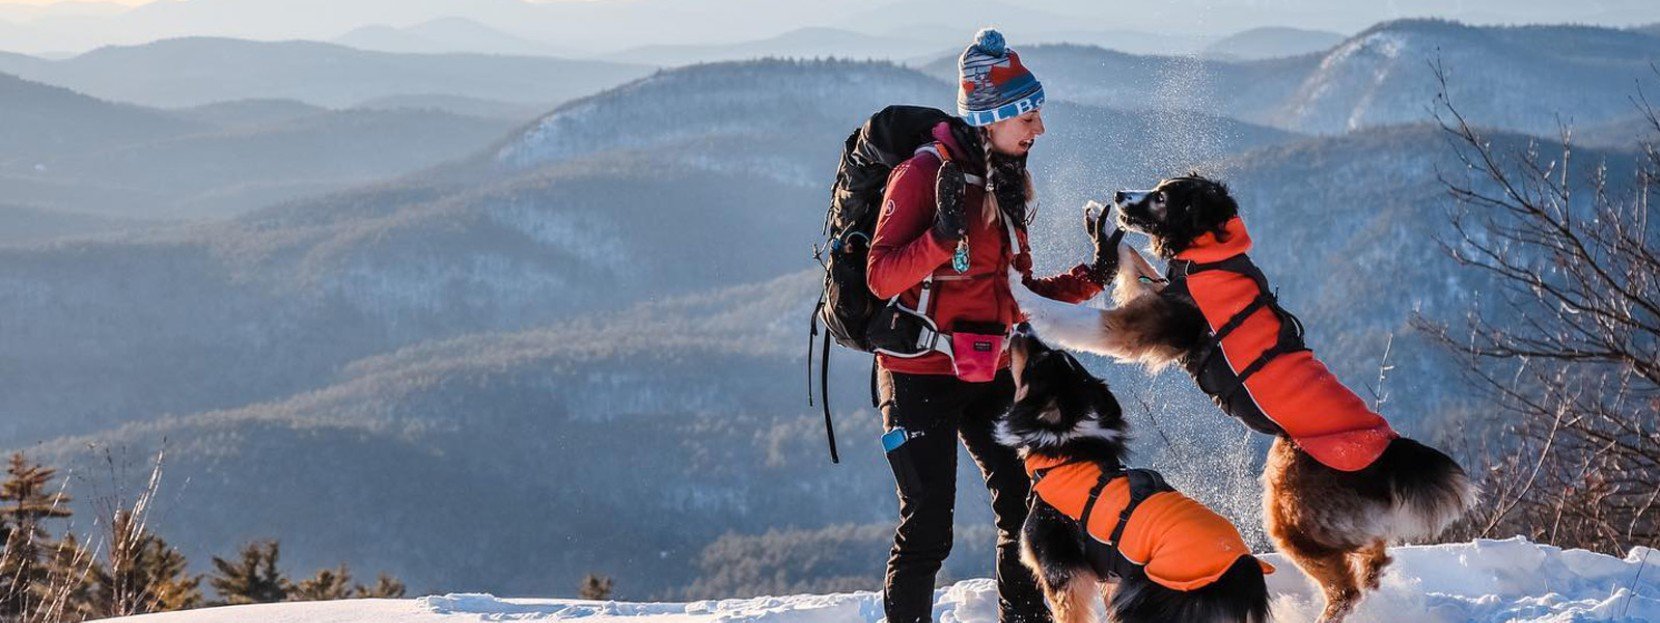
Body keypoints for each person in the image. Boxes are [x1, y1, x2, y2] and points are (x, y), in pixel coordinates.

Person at [865, 28, 1121, 623]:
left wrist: (1096, 272)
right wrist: (939, 237)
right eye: (1028, 116)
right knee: (928, 528)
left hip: (988, 367)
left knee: (1029, 506)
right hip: (917, 372)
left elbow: (1018, 296)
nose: (1039, 129)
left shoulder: (1005, 182)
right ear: (991, 117)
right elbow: (880, 277)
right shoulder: (922, 174)